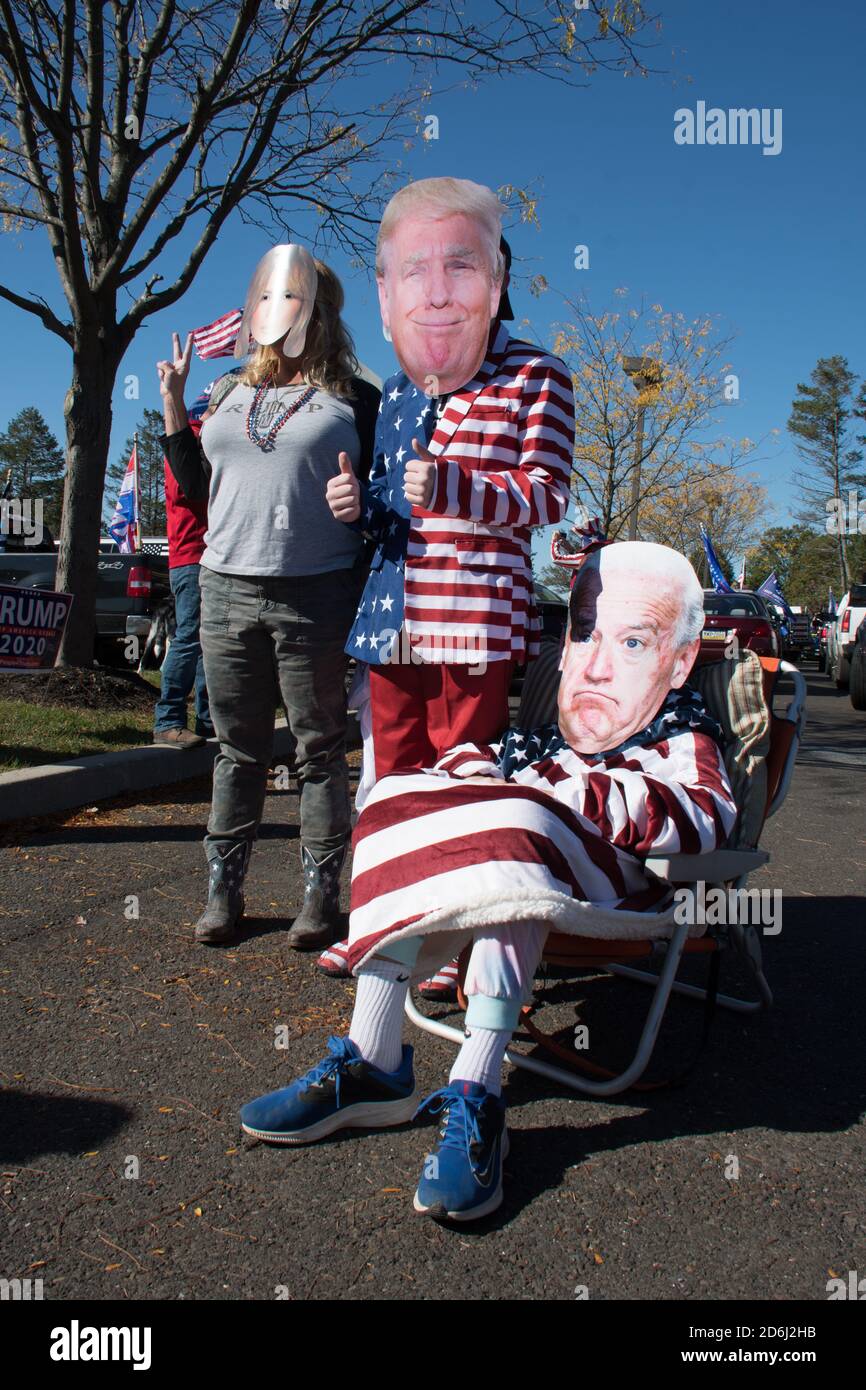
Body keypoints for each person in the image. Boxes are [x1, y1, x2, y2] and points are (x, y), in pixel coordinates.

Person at [240, 541, 738, 1222]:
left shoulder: (683, 739)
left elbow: (708, 821)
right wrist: (502, 778)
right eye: (585, 630)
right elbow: (470, 766)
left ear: (679, 662)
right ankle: (372, 1059)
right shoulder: (539, 742)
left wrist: (569, 790)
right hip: (524, 861)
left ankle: (477, 1090)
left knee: (518, 821)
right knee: (397, 790)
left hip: (627, 892)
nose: (593, 661)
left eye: (630, 642)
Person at [317, 179, 575, 990]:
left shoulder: (539, 376)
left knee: (465, 777)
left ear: (494, 284)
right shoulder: (395, 390)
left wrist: (460, 488)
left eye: (461, 270)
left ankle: (451, 947)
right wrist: (355, 507)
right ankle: (380, 932)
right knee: (389, 777)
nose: (440, 293)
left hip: (477, 619)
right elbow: (396, 509)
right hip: (394, 615)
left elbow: (549, 496)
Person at [158, 244, 380, 947]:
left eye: (295, 298)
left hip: (315, 593)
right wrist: (171, 406)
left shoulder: (356, 397)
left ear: (320, 311)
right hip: (225, 588)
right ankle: (224, 892)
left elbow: (383, 505)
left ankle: (321, 898)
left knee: (318, 749)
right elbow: (197, 487)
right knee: (238, 749)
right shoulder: (225, 392)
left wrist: (362, 501)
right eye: (269, 297)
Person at [152, 400, 216, 748]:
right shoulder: (187, 444)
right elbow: (192, 491)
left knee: (210, 644)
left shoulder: (197, 442)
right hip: (192, 557)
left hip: (209, 557)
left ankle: (207, 722)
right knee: (189, 638)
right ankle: (168, 719)